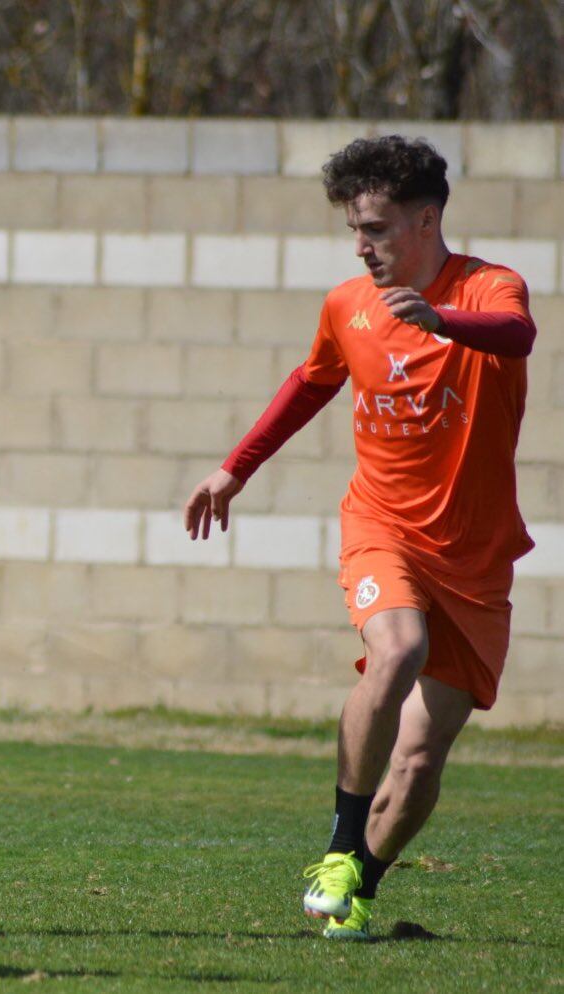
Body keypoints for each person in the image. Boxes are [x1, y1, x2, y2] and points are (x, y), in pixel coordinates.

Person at [183, 136, 536, 941]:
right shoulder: (346, 304)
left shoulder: (488, 287)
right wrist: (234, 469)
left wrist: (439, 318)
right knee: (397, 650)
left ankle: (359, 887)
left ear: (424, 217)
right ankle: (340, 845)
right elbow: (310, 382)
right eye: (353, 228)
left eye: (375, 227)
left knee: (419, 762)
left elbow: (518, 337)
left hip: (474, 558)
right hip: (382, 527)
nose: (361, 245)